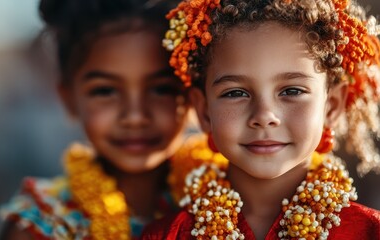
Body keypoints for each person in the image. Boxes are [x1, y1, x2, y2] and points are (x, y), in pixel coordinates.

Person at [142, 0, 380, 239]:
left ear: (332, 106)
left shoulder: (370, 231)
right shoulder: (167, 235)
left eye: (292, 91)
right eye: (235, 93)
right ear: (203, 111)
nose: (264, 116)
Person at [0, 0, 202, 239]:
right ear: (68, 99)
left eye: (161, 89)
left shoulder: (225, 202)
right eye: (105, 91)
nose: (135, 116)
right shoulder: (43, 224)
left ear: (193, 96)